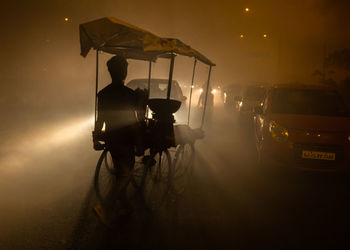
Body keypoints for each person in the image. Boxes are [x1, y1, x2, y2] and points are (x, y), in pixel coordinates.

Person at [93, 55, 143, 218]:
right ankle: (106, 207)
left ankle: (125, 207)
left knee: (121, 171)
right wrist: (139, 142)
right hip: (125, 139)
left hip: (111, 138)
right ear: (124, 72)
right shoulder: (129, 95)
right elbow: (135, 120)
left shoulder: (103, 94)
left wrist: (95, 138)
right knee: (125, 174)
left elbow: (100, 119)